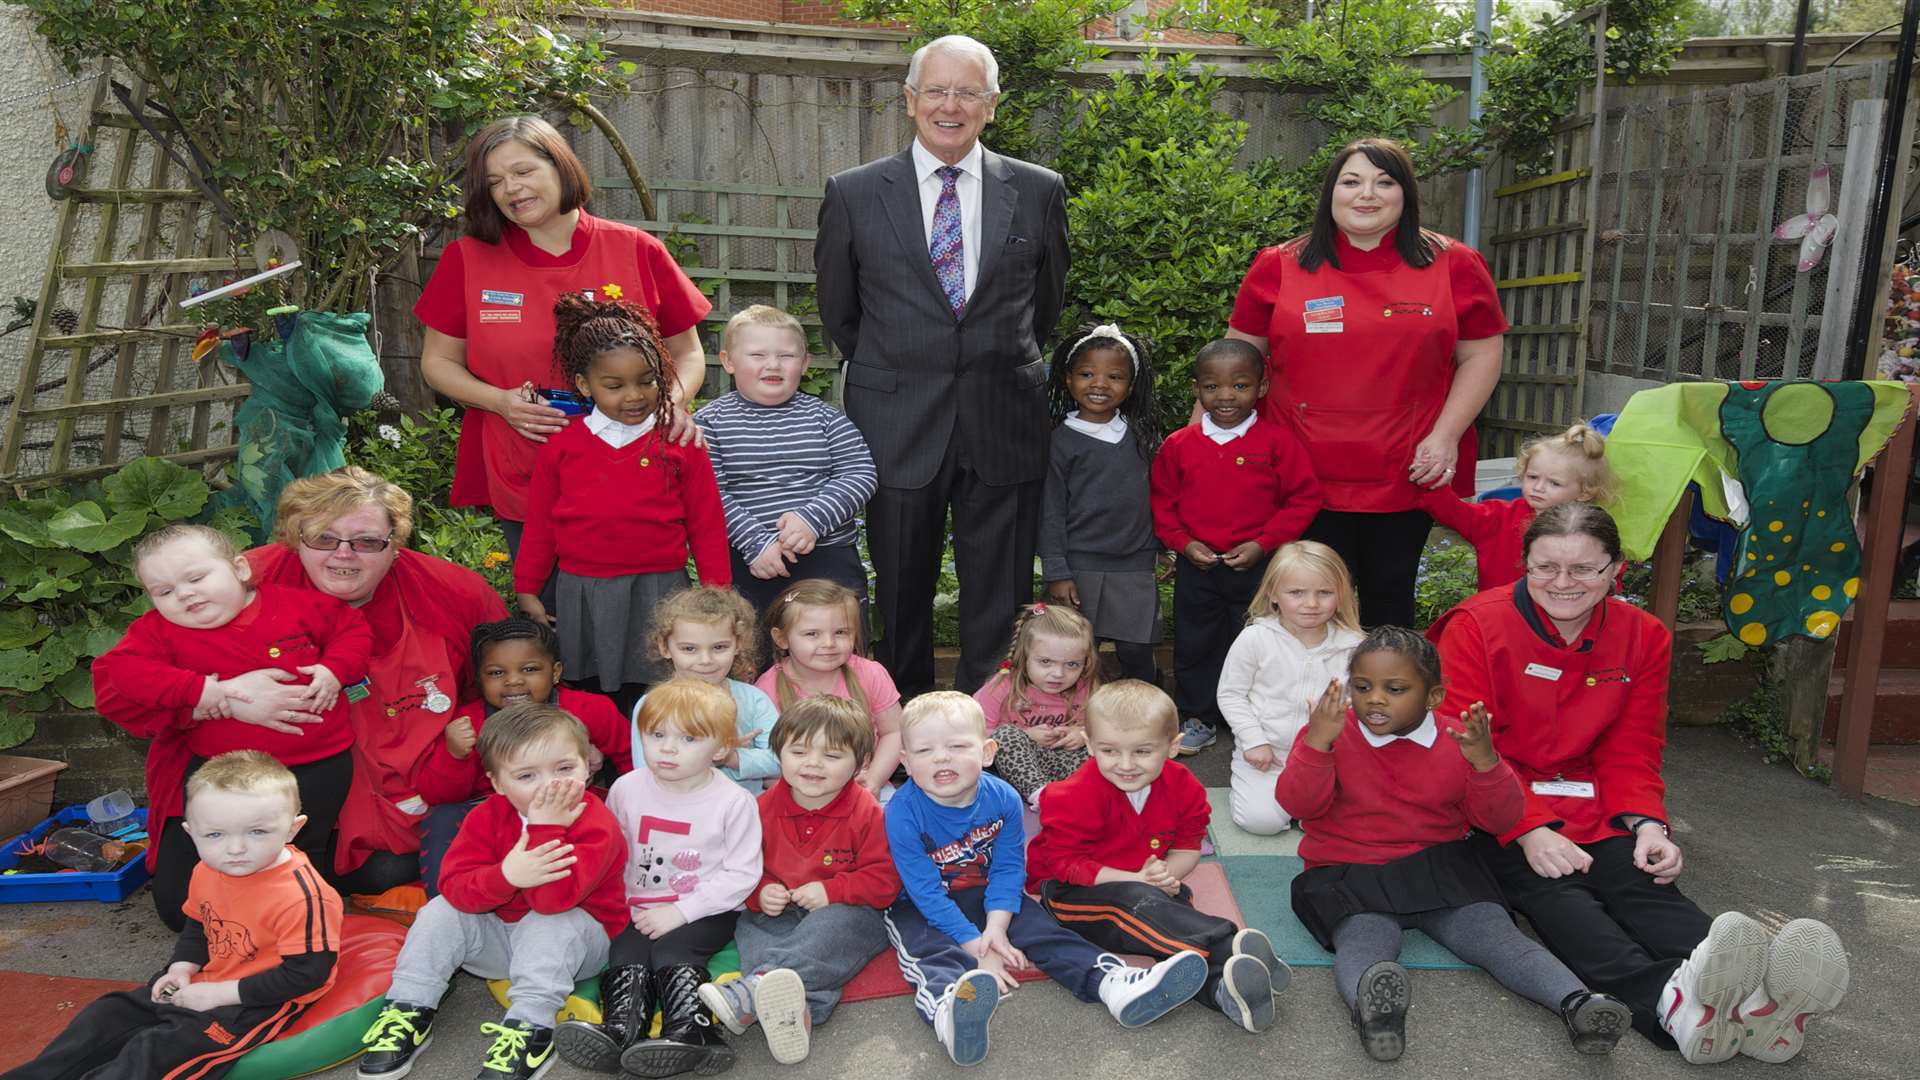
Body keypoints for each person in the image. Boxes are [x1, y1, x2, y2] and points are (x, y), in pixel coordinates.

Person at [1430, 504, 1851, 1064]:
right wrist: (1528, 829)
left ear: (1614, 570)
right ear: (1524, 564)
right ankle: (1673, 1006)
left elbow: (1632, 746)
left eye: (1583, 569)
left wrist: (1649, 825)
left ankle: (1757, 1000)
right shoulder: (1476, 625)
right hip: (1494, 806)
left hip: (1593, 799)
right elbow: (1463, 749)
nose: (1562, 583)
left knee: (1640, 880)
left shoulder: (1643, 635)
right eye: (1545, 567)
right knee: (1559, 898)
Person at [814, 33, 1071, 698]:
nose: (949, 105)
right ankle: (902, 725)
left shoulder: (1039, 191)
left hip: (1003, 416)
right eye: (936, 90)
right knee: (900, 591)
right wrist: (901, 366)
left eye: (967, 93)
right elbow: (842, 314)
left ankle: (986, 729)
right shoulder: (855, 192)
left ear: (991, 106)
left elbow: (1043, 307)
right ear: (910, 100)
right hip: (897, 419)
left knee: (1000, 590)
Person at [1276, 627, 1632, 1062]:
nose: (1375, 699)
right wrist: (1318, 742)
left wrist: (1486, 764)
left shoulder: (1459, 739)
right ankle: (1374, 1013)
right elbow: (1298, 805)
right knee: (1365, 940)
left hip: (1439, 866)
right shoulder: (1329, 731)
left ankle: (1578, 1004)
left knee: (1498, 938)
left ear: (1433, 697)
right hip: (1349, 867)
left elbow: (1498, 820)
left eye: (1396, 689)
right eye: (1362, 687)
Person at [1225, 136, 1508, 628]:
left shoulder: (1454, 264)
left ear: (1407, 195)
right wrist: (1206, 452)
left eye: (1385, 182)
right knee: (1307, 603)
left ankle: (1383, 703)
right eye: (1351, 181)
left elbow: (1482, 353)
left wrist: (1445, 437)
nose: (1367, 194)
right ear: (1330, 192)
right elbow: (1230, 366)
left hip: (1406, 467)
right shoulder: (1279, 265)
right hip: (1299, 470)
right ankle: (1305, 704)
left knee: (1389, 599)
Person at [414, 114, 710, 562]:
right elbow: (437, 363)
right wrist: (499, 401)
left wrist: (669, 408)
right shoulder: (468, 259)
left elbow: (688, 352)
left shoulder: (635, 248)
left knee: (639, 610)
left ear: (560, 166)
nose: (511, 189)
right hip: (524, 466)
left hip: (634, 466)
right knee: (546, 611)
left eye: (523, 171)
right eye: (495, 181)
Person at [881, 692, 1207, 1066]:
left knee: (1043, 928)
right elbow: (924, 891)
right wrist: (979, 948)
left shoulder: (1002, 797)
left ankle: (1114, 983)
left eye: (957, 746)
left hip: (989, 891)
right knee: (929, 952)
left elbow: (1007, 869)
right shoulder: (902, 812)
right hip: (918, 904)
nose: (941, 757)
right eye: (924, 751)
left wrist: (997, 926)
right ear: (904, 762)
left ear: (987, 753)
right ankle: (949, 1010)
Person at [245, 466, 508, 896]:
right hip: (291, 778)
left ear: (396, 545)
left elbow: (509, 686)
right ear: (295, 538)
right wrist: (223, 697)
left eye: (366, 542)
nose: (343, 555)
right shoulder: (247, 584)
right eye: (324, 539)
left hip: (423, 782)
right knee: (177, 901)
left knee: (384, 872)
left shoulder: (455, 593)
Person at [93, 524, 370, 930]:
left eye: (196, 577)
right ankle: (233, 912)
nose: (184, 594)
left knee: (302, 848)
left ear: (240, 568)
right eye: (164, 591)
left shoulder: (296, 606)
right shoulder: (157, 633)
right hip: (224, 776)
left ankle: (300, 918)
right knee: (180, 910)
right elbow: (122, 674)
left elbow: (352, 631)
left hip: (316, 764)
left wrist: (334, 669)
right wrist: (207, 692)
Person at [7, 751, 342, 1080]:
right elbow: (199, 924)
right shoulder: (208, 869)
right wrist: (181, 968)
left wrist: (219, 994)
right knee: (107, 1014)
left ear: (292, 829)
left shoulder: (301, 895)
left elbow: (307, 975)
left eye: (257, 832)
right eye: (215, 835)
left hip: (262, 1000)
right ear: (190, 833)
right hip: (210, 978)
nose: (235, 848)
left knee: (156, 1050)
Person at [357, 704, 627, 1080]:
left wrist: (544, 830)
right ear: (498, 784)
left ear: (588, 765)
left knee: (552, 923)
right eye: (527, 775)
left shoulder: (596, 823)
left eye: (564, 769)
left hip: (578, 947)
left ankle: (531, 1028)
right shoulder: (486, 816)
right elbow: (454, 889)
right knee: (438, 912)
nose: (549, 785)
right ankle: (408, 1010)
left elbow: (552, 903)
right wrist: (506, 876)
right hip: (504, 942)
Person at [1026, 680, 1287, 1033]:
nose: (1126, 764)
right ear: (1089, 745)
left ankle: (1225, 992)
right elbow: (1064, 865)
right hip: (1069, 893)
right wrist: (1137, 880)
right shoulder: (1073, 795)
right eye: (1109, 751)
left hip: (1144, 887)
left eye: (1143, 751)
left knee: (1167, 919)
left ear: (1173, 746)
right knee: (1144, 907)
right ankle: (1228, 943)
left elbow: (1186, 848)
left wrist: (1167, 874)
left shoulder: (1185, 788)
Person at [514, 293, 731, 709]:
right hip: (583, 592)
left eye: (647, 380)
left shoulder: (681, 442)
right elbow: (542, 523)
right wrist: (527, 588)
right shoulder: (563, 445)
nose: (634, 395)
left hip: (661, 590)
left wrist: (715, 593)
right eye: (614, 386)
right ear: (584, 385)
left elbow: (706, 524)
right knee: (587, 693)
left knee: (662, 691)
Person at [557, 679, 761, 1077]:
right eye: (657, 734)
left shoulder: (733, 802)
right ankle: (620, 1030)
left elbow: (742, 873)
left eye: (688, 738)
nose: (668, 748)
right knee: (626, 955)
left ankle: (690, 1031)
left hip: (708, 908)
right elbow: (613, 852)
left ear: (720, 749)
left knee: (673, 953)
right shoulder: (626, 788)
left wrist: (683, 911)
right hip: (639, 905)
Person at [698, 696, 903, 1065]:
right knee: (753, 929)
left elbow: (884, 880)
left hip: (846, 910)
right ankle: (801, 1011)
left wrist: (831, 890)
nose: (813, 764)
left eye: (832, 755)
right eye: (799, 751)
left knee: (839, 927)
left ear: (861, 764)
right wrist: (760, 892)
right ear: (778, 753)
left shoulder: (867, 811)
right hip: (777, 911)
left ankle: (754, 989)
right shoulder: (758, 808)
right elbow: (738, 868)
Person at [1151, 338, 1323, 755]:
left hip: (1259, 569)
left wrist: (1264, 544)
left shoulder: (1277, 443)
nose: (1226, 396)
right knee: (1196, 642)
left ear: (1261, 389)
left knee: (1261, 640)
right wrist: (1183, 543)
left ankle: (1256, 714)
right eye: (1212, 387)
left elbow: (1304, 498)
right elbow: (1161, 501)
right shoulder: (1179, 445)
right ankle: (1199, 715)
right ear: (1197, 390)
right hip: (1200, 566)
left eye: (1240, 386)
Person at [412, 618, 632, 895]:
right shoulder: (469, 721)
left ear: (555, 672)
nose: (513, 680)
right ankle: (447, 901)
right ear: (479, 679)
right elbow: (436, 795)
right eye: (496, 673)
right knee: (442, 817)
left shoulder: (589, 709)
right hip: (496, 814)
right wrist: (456, 756)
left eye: (529, 669)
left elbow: (631, 757)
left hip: (571, 805)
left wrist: (629, 802)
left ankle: (596, 894)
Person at [694, 304, 878, 629]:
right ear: (728, 362)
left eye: (787, 356)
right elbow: (708, 493)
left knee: (837, 641)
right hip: (751, 558)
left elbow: (859, 473)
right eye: (757, 355)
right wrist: (755, 542)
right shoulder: (710, 424)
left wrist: (812, 518)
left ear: (805, 363)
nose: (773, 365)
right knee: (754, 647)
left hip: (826, 554)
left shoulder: (825, 418)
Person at [1040, 323, 1164, 684]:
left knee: (1137, 651)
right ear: (1067, 379)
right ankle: (1076, 721)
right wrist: (1057, 571)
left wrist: (1165, 548)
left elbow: (1158, 496)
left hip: (1135, 566)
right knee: (1077, 652)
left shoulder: (1142, 436)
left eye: (1114, 376)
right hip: (1080, 567)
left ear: (1130, 385)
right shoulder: (1058, 441)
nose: (1099, 384)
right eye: (1087, 374)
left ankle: (1146, 716)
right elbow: (1050, 511)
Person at [1216, 540, 1364, 835]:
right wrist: (1253, 740)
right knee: (1261, 822)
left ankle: (1308, 808)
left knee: (1356, 815)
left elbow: (1360, 704)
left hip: (1327, 756)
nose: (1311, 603)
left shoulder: (1354, 645)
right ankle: (1289, 805)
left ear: (1342, 594)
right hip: (1266, 756)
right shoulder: (1255, 638)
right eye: (1296, 593)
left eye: (1324, 593)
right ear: (1272, 593)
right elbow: (1231, 694)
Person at [1416, 421, 1614, 592]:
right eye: (1532, 477)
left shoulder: (1594, 530)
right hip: (1499, 621)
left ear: (1585, 492)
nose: (1538, 487)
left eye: (1554, 483)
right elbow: (1451, 511)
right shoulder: (1497, 517)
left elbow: (1608, 570)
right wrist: (1431, 478)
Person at [755, 580, 904, 796]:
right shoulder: (767, 689)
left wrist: (874, 778)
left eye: (841, 632)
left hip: (862, 788)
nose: (829, 643)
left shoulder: (870, 673)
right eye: (812, 634)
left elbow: (895, 731)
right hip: (794, 792)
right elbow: (766, 759)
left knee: (892, 821)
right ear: (782, 638)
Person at [637, 586, 781, 792]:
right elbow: (644, 769)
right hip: (677, 812)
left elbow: (781, 759)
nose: (705, 660)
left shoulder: (753, 699)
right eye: (689, 649)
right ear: (665, 647)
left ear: (739, 644)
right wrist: (711, 753)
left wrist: (732, 757)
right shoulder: (651, 704)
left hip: (742, 813)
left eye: (719, 647)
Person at [972, 603, 1098, 806]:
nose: (1058, 673)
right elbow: (970, 733)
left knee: (1100, 746)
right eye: (1046, 662)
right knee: (1004, 736)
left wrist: (1083, 734)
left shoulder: (1087, 689)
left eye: (1072, 664)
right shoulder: (1001, 687)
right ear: (1024, 657)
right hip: (1014, 773)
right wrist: (1025, 735)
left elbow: (1110, 730)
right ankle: (1041, 796)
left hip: (1067, 768)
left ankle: (1081, 796)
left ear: (1086, 662)